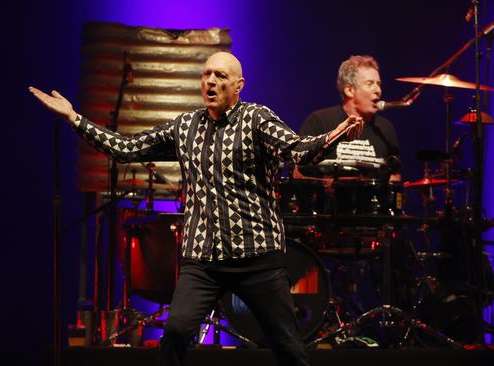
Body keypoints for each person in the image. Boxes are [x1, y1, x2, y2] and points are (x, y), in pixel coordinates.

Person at [29, 51, 363, 366]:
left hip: (257, 257)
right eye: (206, 75)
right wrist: (74, 118)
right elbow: (127, 149)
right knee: (174, 332)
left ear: (238, 85)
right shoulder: (186, 126)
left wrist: (333, 136)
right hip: (203, 261)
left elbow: (297, 150)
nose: (211, 81)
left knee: (288, 346)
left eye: (220, 75)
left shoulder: (256, 119)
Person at [297, 55, 401, 182]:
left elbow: (395, 176)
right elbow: (297, 172)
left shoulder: (385, 128)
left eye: (379, 84)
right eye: (370, 84)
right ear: (349, 90)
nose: (378, 90)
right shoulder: (319, 121)